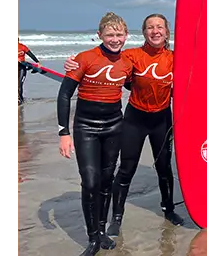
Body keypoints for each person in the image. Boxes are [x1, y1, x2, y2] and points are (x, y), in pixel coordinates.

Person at [64, 13, 184, 237]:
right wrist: (73, 63)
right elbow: (109, 61)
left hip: (162, 120)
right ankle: (116, 218)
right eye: (150, 27)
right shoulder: (131, 56)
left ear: (167, 32)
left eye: (160, 27)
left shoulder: (176, 58)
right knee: (126, 169)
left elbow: (199, 73)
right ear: (144, 32)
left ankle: (169, 210)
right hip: (134, 119)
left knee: (164, 168)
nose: (155, 31)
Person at [57, 12, 135, 256]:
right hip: (86, 127)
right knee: (90, 182)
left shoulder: (127, 62)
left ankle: (101, 232)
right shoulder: (84, 59)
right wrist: (64, 133)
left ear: (126, 36)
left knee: (106, 181)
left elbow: (140, 84)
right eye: (110, 34)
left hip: (114, 125)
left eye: (119, 34)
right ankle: (92, 239)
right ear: (99, 34)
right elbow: (65, 95)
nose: (115, 39)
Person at [17, 39, 40, 104]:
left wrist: (37, 62)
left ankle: (20, 100)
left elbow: (30, 54)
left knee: (19, 84)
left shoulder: (23, 47)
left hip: (22, 68)